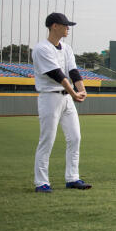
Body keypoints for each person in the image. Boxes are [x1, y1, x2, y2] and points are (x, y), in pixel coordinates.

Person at [31, 13, 90, 193]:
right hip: (49, 97)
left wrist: (82, 90)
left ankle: (72, 178)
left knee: (75, 137)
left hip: (66, 98)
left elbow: (73, 72)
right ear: (54, 26)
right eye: (65, 25)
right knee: (47, 140)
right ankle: (41, 182)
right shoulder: (41, 48)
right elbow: (58, 75)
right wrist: (74, 93)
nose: (68, 28)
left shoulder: (66, 48)